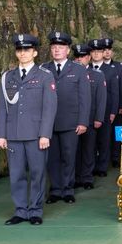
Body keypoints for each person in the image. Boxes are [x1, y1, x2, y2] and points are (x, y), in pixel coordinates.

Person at [0, 34, 57, 225]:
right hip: (13, 135)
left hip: (36, 135)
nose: (23, 53)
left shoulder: (45, 76)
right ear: (16, 53)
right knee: (16, 175)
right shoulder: (8, 77)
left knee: (38, 174)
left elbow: (49, 108)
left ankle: (35, 211)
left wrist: (45, 134)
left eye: (27, 50)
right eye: (20, 50)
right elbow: (2, 108)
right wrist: (1, 134)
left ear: (35, 53)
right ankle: (21, 211)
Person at [43, 31, 91, 204]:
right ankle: (55, 190)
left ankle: (68, 189)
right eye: (54, 47)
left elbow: (85, 98)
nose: (57, 50)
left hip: (71, 122)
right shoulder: (43, 69)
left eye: (61, 47)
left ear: (68, 50)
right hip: (49, 123)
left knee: (69, 157)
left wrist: (83, 121)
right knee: (52, 158)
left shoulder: (78, 70)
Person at [73, 44, 107, 190]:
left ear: (88, 57)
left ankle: (87, 178)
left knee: (88, 149)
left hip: (91, 119)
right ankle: (75, 178)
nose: (79, 59)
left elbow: (101, 99)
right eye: (77, 56)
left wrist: (99, 118)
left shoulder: (97, 75)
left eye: (82, 56)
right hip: (73, 120)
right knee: (74, 150)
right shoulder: (69, 73)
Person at [89, 39, 119, 178]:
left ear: (103, 53)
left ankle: (102, 167)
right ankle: (91, 166)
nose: (96, 54)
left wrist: (113, 111)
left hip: (106, 110)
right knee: (90, 141)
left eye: (99, 51)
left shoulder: (111, 70)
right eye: (93, 51)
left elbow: (115, 93)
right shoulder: (85, 69)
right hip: (89, 111)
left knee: (104, 139)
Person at [103, 38, 122, 168]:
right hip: (103, 106)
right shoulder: (96, 66)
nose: (107, 52)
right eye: (104, 50)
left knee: (117, 132)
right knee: (105, 134)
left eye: (109, 50)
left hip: (117, 106)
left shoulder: (119, 66)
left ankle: (116, 157)